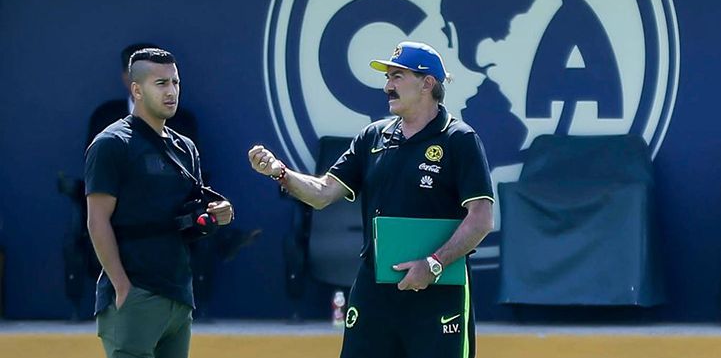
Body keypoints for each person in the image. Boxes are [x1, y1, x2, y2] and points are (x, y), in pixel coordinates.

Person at [249, 41, 494, 358]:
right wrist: (280, 172)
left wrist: (433, 264)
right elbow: (323, 193)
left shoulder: (460, 139)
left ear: (427, 83)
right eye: (388, 77)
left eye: (397, 77)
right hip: (375, 287)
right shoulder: (372, 136)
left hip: (439, 288)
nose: (387, 86)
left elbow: (481, 218)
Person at [85, 47, 234, 358]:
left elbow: (189, 218)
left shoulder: (186, 147)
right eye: (161, 84)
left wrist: (217, 213)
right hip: (135, 296)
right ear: (136, 90)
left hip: (179, 298)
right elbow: (97, 221)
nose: (171, 92)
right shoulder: (111, 144)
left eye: (175, 82)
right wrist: (122, 287)